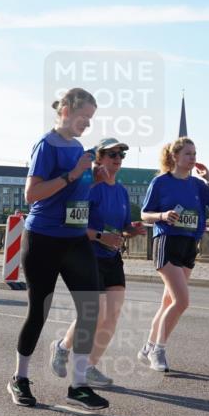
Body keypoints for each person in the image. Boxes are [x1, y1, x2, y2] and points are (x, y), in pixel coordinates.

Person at [9, 87, 108, 411]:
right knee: (39, 311)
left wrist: (92, 179)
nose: (86, 124)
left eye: (90, 120)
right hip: (43, 238)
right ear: (65, 109)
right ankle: (20, 378)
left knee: (90, 308)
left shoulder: (78, 147)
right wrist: (74, 173)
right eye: (83, 117)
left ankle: (78, 386)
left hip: (75, 238)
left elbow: (73, 192)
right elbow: (32, 194)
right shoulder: (46, 145)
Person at [52, 137, 145, 388]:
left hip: (112, 257)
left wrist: (131, 230)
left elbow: (122, 226)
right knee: (96, 312)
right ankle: (62, 348)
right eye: (111, 154)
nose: (117, 159)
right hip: (88, 254)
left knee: (112, 315)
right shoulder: (89, 188)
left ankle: (91, 366)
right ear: (98, 159)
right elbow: (73, 225)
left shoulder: (122, 190)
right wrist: (102, 236)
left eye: (120, 155)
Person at [138, 137, 209, 371]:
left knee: (168, 301)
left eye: (195, 153)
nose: (193, 158)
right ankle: (158, 350)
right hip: (167, 241)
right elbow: (145, 214)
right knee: (181, 301)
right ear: (174, 156)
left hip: (189, 244)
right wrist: (163, 216)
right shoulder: (160, 182)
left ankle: (148, 346)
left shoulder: (198, 185)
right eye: (188, 153)